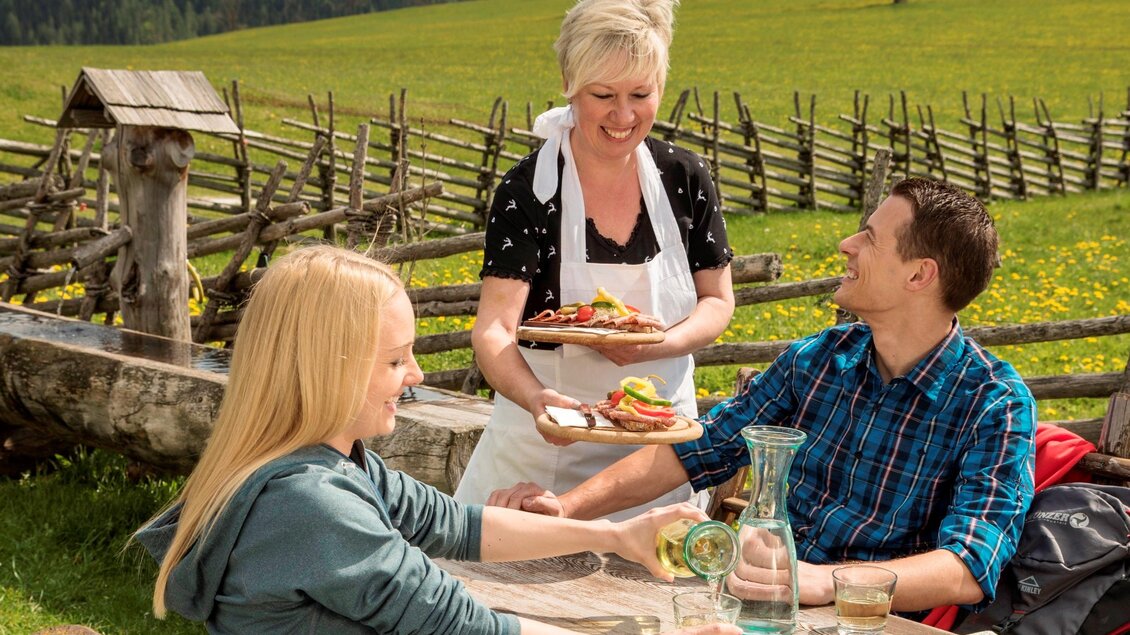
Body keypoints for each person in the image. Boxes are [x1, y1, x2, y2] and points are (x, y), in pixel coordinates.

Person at [488, 177, 1038, 615]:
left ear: (919, 275)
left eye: (870, 238)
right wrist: (565, 509)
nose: (846, 245)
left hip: (863, 619)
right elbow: (699, 449)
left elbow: (968, 566)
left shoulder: (994, 402)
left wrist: (819, 581)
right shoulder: (820, 357)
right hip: (752, 604)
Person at [133, 246, 737, 635]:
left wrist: (615, 536)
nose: (417, 375)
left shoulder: (326, 465)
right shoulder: (311, 505)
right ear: (328, 368)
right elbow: (463, 624)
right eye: (396, 360)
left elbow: (454, 524)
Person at [454, 0, 735, 521]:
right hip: (543, 452)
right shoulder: (529, 190)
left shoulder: (685, 177)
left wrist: (659, 346)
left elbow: (717, 301)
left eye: (640, 95)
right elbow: (494, 330)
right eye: (603, 95)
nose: (623, 116)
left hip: (653, 453)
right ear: (569, 84)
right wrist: (537, 399)